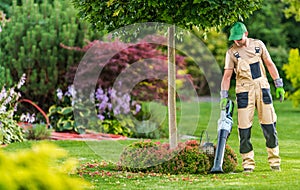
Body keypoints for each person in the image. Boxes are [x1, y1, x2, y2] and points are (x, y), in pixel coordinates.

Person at [220, 22, 285, 172]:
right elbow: (227, 76)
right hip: (243, 92)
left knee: (269, 126)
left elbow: (269, 64)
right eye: (234, 39)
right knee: (244, 129)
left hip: (262, 88)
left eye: (239, 38)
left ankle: (275, 161)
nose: (237, 41)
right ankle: (248, 164)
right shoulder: (231, 53)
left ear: (246, 34)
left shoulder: (258, 45)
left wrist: (279, 84)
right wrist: (223, 95)